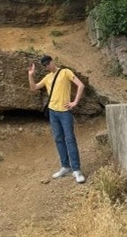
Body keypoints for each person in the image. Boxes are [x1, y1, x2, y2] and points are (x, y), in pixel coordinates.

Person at [28, 54, 86, 183]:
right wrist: (31, 75)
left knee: (70, 139)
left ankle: (76, 170)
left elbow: (81, 85)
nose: (47, 66)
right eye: (45, 65)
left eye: (48, 63)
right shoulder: (48, 77)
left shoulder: (65, 72)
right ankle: (65, 166)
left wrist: (75, 102)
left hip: (65, 112)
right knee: (59, 139)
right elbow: (33, 88)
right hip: (53, 112)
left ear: (52, 61)